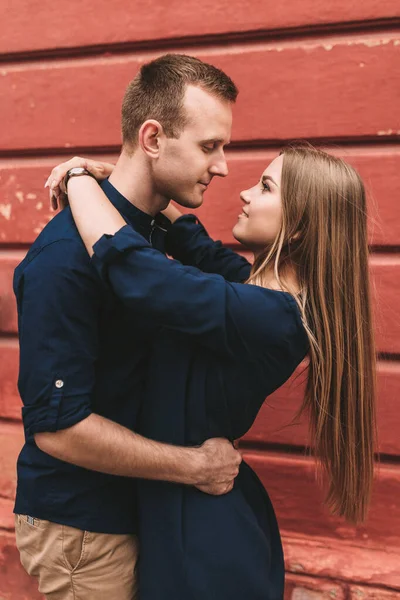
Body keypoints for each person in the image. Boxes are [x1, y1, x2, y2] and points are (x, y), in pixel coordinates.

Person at [47, 143, 377, 599]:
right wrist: (128, 181)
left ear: (298, 227)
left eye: (264, 187)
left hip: (201, 540)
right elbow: (193, 244)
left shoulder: (266, 315)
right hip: (190, 511)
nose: (242, 192)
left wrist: (78, 180)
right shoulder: (253, 290)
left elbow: (139, 275)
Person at [13, 54, 243, 600]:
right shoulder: (63, 260)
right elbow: (59, 428)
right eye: (210, 146)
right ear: (153, 138)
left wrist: (84, 176)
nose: (224, 166)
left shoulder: (154, 233)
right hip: (84, 531)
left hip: (143, 510)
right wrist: (195, 467)